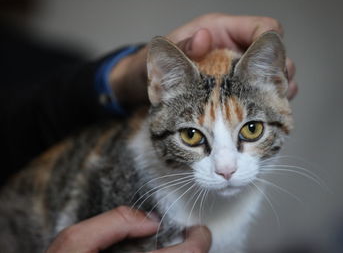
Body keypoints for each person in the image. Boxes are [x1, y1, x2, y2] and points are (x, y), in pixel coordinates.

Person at [1, 13, 297, 252]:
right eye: (193, 136)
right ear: (161, 90)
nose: (226, 168)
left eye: (252, 129)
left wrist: (122, 73)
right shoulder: (139, 191)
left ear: (276, 85)